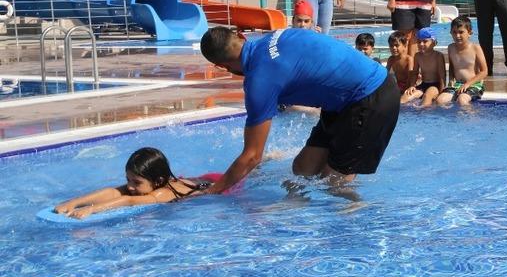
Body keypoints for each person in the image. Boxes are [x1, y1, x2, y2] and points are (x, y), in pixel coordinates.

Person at [198, 27, 400, 190]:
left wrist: (212, 192)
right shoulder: (279, 34)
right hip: (343, 101)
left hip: (373, 97)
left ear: (222, 67)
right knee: (303, 169)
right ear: (241, 36)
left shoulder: (259, 81)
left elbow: (252, 156)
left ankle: (361, 231)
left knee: (333, 185)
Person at [53, 147, 218, 219]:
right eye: (128, 180)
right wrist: (73, 202)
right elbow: (114, 192)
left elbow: (129, 201)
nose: (130, 187)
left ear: (158, 181)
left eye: (136, 182)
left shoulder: (162, 193)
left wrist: (91, 209)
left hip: (217, 185)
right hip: (201, 179)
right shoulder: (150, 184)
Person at [436, 16, 488, 106]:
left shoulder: (475, 48)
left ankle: (471, 117)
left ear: (470, 33)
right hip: (457, 84)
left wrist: (467, 84)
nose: (457, 36)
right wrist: (451, 79)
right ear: (450, 33)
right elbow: (452, 66)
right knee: (440, 100)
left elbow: (484, 71)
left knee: (462, 100)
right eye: (454, 32)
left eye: (461, 32)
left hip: (474, 84)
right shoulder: (451, 48)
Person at [405, 27, 446, 107]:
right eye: (419, 41)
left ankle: (423, 115)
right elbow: (415, 73)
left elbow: (442, 76)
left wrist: (441, 92)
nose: (421, 44)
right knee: (405, 97)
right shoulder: (417, 56)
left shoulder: (438, 56)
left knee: (427, 97)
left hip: (435, 86)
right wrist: (412, 86)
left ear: (434, 43)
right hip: (423, 84)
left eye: (425, 41)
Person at [386, 30, 415, 101]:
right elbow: (385, 73)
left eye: (396, 45)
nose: (394, 48)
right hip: (399, 85)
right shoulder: (391, 59)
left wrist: (407, 88)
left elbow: (411, 76)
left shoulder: (409, 59)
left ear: (405, 45)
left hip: (411, 85)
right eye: (391, 46)